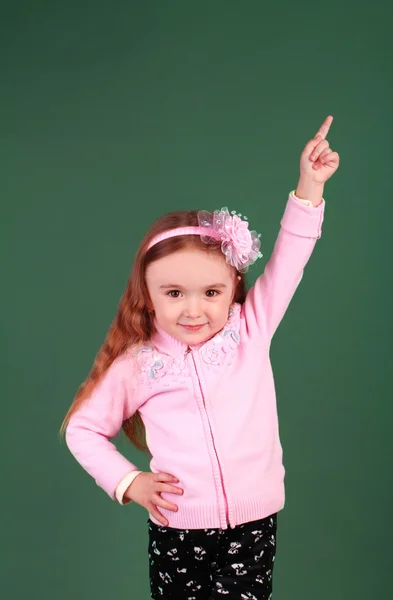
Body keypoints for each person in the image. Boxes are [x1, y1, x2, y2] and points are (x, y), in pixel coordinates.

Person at [60, 115, 339, 599]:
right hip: (178, 529)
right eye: (173, 293)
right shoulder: (137, 363)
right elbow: (82, 430)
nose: (194, 309)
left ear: (233, 287)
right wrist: (130, 482)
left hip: (253, 524)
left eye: (210, 291)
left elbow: (290, 258)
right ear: (147, 295)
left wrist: (309, 186)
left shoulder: (250, 329)